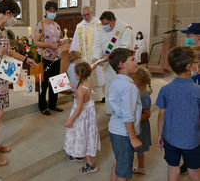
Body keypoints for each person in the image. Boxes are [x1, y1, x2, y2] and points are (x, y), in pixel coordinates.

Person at [0, 0, 36, 166]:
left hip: (1, 75)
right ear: (8, 13)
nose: (14, 19)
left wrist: (26, 59)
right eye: (14, 16)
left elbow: (9, 51)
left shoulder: (1, 28)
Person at [156, 47, 200, 181]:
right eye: (196, 62)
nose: (198, 65)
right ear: (190, 67)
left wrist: (159, 134)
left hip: (170, 138)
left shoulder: (165, 89)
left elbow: (161, 115)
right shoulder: (198, 90)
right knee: (194, 171)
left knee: (172, 168)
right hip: (192, 140)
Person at [108, 48, 142, 181]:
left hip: (116, 129)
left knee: (119, 162)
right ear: (122, 64)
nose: (136, 62)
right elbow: (128, 115)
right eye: (132, 60)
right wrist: (133, 137)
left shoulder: (118, 81)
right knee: (124, 170)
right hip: (124, 133)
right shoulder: (128, 87)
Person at [33, 0, 72, 116]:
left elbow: (57, 42)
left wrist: (65, 41)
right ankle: (43, 107)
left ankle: (53, 105)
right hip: (44, 58)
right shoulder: (41, 25)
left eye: (54, 11)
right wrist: (49, 45)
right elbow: (35, 42)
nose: (52, 12)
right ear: (46, 11)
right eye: (50, 10)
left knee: (55, 83)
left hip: (56, 58)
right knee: (44, 84)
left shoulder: (57, 26)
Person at [92, 11, 133, 115]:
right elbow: (97, 44)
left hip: (121, 65)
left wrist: (110, 56)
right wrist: (95, 57)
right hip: (108, 65)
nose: (104, 26)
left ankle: (120, 112)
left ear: (113, 20)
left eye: (106, 24)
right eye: (103, 24)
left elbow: (125, 47)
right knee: (110, 87)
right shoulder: (102, 29)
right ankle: (110, 110)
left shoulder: (124, 28)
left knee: (120, 88)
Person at [64, 62, 101, 174]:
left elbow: (79, 107)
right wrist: (70, 84)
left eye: (74, 72)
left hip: (80, 117)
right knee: (85, 136)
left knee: (82, 137)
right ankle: (77, 154)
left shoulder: (80, 91)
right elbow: (80, 89)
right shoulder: (86, 84)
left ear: (78, 74)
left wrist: (70, 120)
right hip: (87, 116)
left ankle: (90, 165)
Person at [70, 6, 104, 101]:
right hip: (84, 58)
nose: (86, 17)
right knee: (85, 77)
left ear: (91, 12)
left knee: (98, 76)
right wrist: (75, 57)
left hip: (97, 56)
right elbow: (75, 43)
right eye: (83, 15)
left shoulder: (99, 24)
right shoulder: (79, 26)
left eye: (87, 14)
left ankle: (99, 97)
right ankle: (86, 96)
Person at [179, 24, 200, 174]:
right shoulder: (190, 53)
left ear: (198, 36)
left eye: (189, 36)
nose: (187, 38)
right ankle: (189, 161)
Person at [130, 67, 152, 175]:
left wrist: (135, 119)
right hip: (137, 123)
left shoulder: (144, 96)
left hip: (141, 126)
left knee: (139, 149)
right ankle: (140, 167)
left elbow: (147, 114)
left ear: (137, 81)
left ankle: (141, 167)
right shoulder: (139, 92)